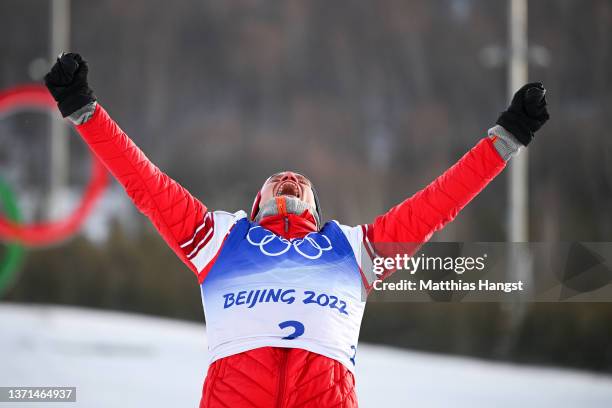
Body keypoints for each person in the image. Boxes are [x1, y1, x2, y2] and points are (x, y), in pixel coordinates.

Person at [44, 53, 549, 408]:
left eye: (298, 183)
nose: (288, 181)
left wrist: (505, 139)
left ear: (316, 206)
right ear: (256, 203)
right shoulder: (217, 240)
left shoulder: (354, 249)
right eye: (277, 182)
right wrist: (85, 111)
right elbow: (145, 183)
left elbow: (436, 204)